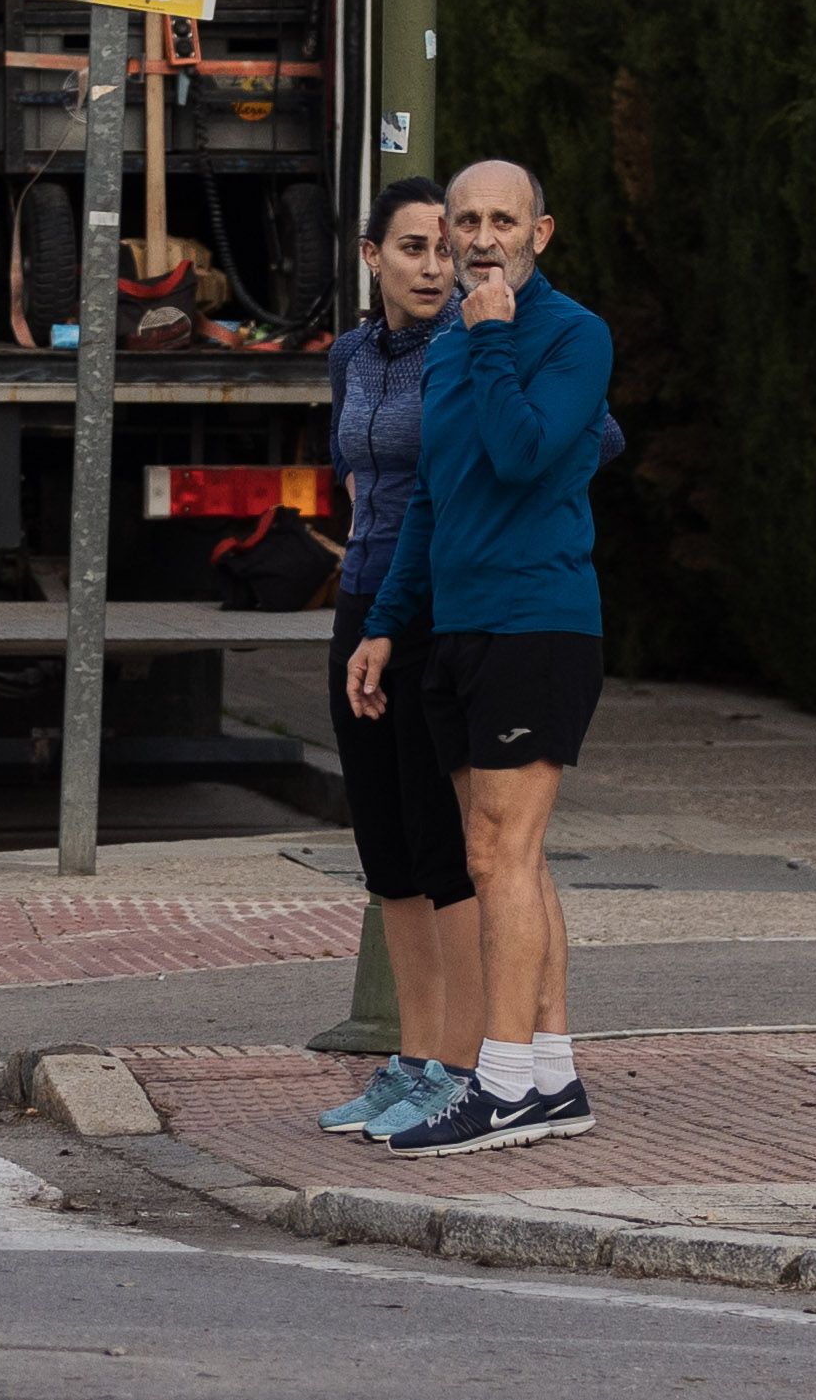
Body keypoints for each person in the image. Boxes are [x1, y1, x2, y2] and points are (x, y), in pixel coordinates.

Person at [347, 159, 614, 1157]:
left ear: (541, 233)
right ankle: (550, 1070)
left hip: (535, 620)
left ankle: (499, 1082)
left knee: (496, 853)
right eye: (467, 220)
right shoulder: (450, 344)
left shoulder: (569, 336)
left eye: (504, 218)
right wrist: (384, 620)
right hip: (453, 627)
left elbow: (518, 451)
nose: (482, 235)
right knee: (508, 855)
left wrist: (495, 335)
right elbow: (432, 493)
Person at [314, 177, 486, 1143]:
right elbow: (353, 474)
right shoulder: (349, 356)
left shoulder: (473, 344)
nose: (434, 265)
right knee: (386, 852)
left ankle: (461, 1065)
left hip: (435, 616)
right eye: (413, 247)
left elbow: (589, 439)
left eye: (442, 247)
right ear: (371, 256)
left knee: (442, 846)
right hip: (358, 608)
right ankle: (413, 1058)